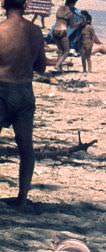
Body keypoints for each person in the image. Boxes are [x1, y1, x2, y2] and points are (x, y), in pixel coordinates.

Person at [0, 0, 46, 207]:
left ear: (3, 5)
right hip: (25, 91)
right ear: (25, 6)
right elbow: (41, 67)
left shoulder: (0, 30)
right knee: (26, 147)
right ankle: (22, 198)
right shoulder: (35, 31)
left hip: (2, 90)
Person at [52, 0, 76, 72]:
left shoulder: (59, 9)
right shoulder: (70, 13)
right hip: (62, 30)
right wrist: (79, 23)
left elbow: (60, 19)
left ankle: (60, 68)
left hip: (55, 30)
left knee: (60, 50)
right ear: (72, 3)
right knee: (66, 51)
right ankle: (57, 65)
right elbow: (72, 26)